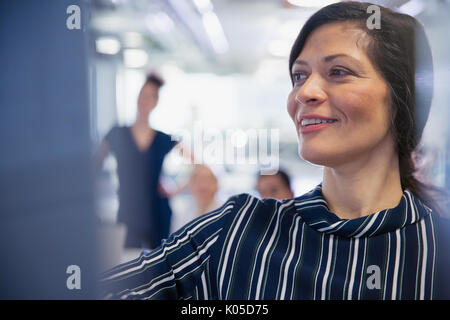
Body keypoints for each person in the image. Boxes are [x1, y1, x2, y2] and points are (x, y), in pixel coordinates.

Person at [99, 2, 450, 299]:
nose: (304, 92)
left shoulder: (438, 253)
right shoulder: (238, 231)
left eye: (339, 71)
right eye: (299, 76)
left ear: (402, 99)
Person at [97, 72, 179, 249]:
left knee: (159, 272)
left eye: (150, 97)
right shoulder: (118, 133)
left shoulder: (163, 138)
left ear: (155, 103)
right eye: (142, 94)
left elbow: (199, 164)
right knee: (127, 268)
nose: (144, 100)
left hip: (158, 217)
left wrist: (176, 188)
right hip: (128, 215)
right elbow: (94, 164)